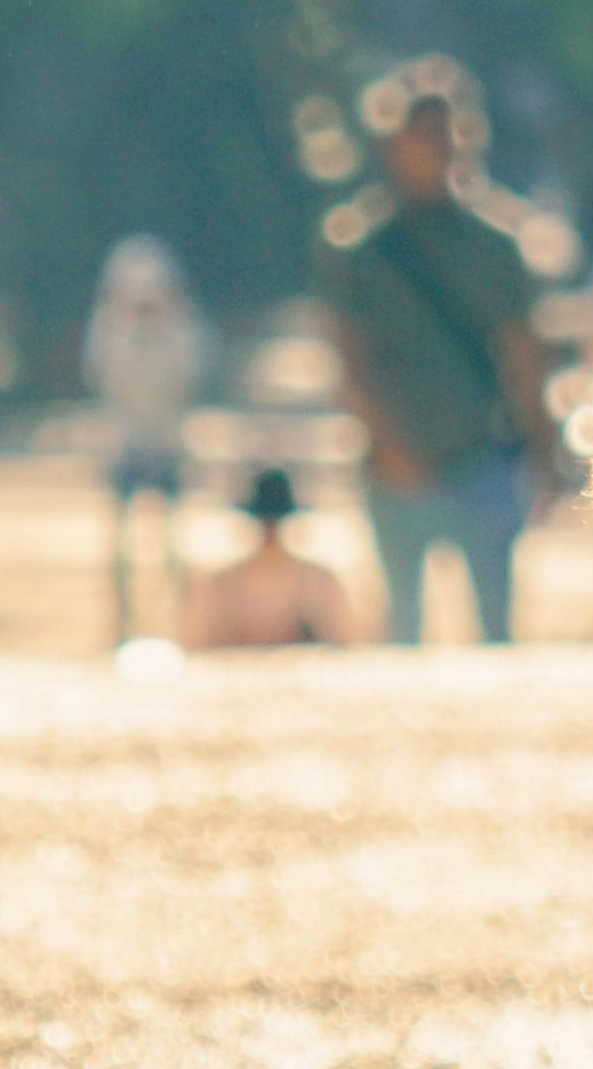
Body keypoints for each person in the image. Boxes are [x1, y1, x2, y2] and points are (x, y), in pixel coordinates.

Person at [322, 64, 557, 648]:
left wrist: (542, 446)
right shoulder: (359, 250)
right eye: (422, 134)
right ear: (391, 145)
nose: (438, 147)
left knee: (496, 631)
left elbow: (524, 355)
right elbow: (350, 363)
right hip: (396, 472)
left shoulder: (496, 245)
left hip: (483, 460)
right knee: (403, 632)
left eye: (445, 132)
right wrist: (388, 446)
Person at [83, 232, 205, 644]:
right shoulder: (110, 332)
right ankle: (121, 621)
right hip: (126, 446)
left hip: (166, 445)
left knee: (172, 542)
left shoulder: (182, 333)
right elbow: (106, 379)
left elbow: (187, 380)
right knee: (120, 544)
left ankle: (178, 620)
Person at [184, 460, 357, 653]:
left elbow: (347, 642)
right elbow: (196, 643)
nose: (270, 528)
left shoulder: (318, 581)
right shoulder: (220, 584)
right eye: (266, 521)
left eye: (274, 521)